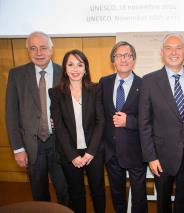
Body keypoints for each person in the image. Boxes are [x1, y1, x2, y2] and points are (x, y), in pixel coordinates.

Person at [139, 33, 184, 213]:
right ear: (162, 52)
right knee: (163, 202)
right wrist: (151, 157)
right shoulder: (149, 81)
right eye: (169, 48)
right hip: (161, 155)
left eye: (178, 48)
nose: (174, 52)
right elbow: (144, 123)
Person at [5, 31, 69, 204]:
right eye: (33, 48)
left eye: (43, 48)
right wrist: (18, 149)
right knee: (39, 194)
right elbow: (11, 114)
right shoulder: (16, 75)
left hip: (60, 143)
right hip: (31, 146)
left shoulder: (65, 73)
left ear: (51, 50)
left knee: (65, 191)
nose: (38, 53)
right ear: (28, 51)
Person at [49, 49, 105, 213]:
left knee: (98, 191)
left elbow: (100, 121)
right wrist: (73, 155)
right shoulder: (56, 93)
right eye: (71, 64)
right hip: (69, 152)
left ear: (85, 68)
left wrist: (90, 152)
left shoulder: (95, 89)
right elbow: (59, 126)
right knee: (76, 193)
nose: (75, 69)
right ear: (64, 68)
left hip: (93, 152)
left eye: (80, 65)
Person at [99, 41, 148, 213]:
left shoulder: (144, 85)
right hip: (111, 151)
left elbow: (149, 118)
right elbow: (98, 115)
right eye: (119, 55)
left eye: (127, 55)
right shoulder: (104, 83)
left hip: (136, 150)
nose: (123, 59)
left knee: (139, 196)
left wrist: (129, 122)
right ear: (113, 60)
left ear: (133, 60)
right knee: (117, 194)